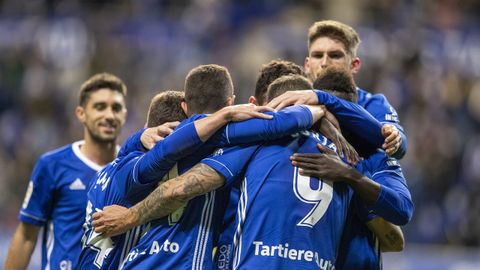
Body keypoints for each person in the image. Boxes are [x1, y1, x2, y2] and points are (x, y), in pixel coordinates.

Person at [79, 64, 322, 269]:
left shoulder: (118, 167)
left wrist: (139, 136)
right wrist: (321, 105)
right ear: (230, 102)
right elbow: (275, 125)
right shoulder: (219, 150)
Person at [5, 73, 129, 270]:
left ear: (124, 114)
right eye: (99, 107)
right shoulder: (53, 165)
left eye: (116, 108)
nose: (109, 115)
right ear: (81, 113)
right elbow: (26, 236)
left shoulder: (133, 169)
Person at [304, 20, 407, 158]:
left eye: (335, 55)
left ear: (354, 65)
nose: (324, 63)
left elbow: (399, 146)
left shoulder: (373, 103)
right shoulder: (294, 99)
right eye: (317, 55)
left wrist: (395, 137)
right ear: (307, 65)